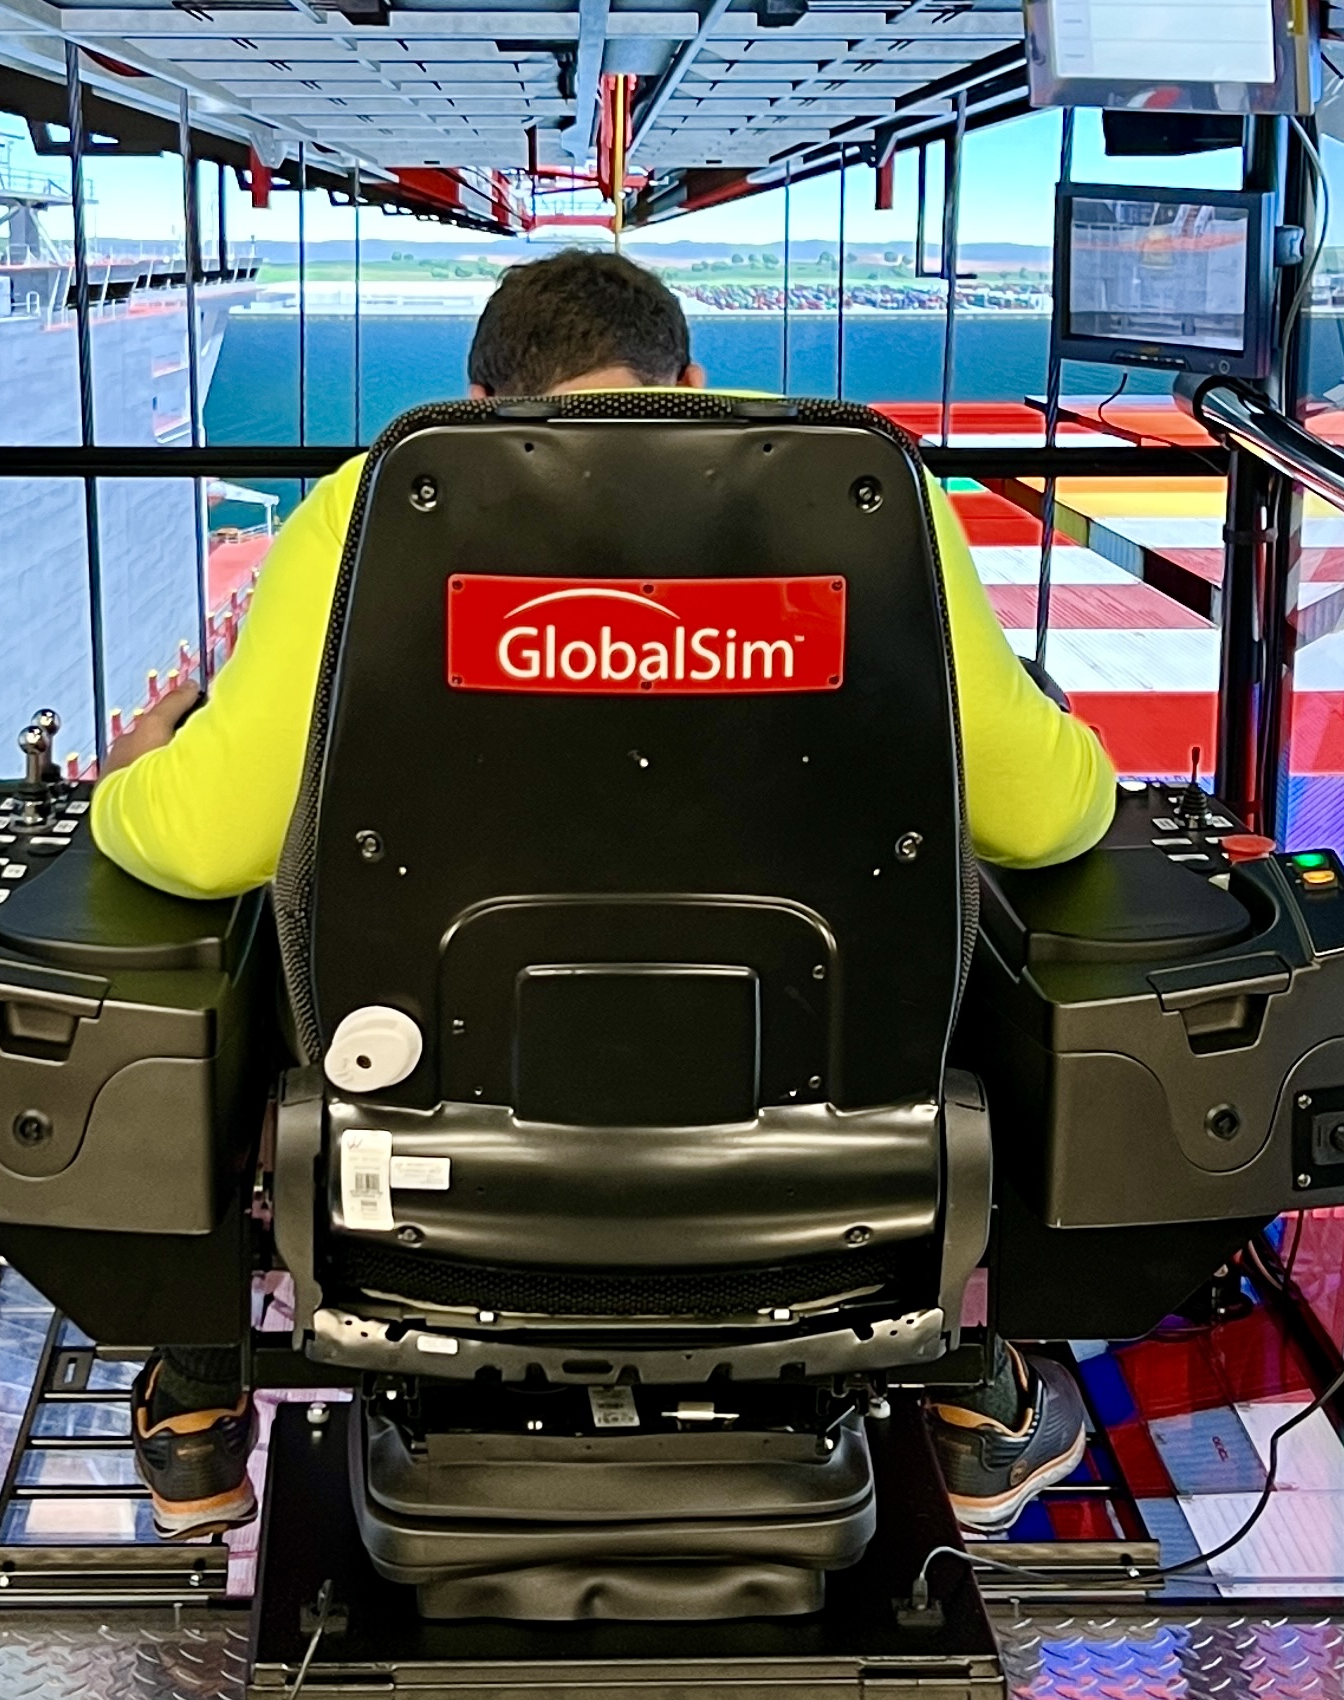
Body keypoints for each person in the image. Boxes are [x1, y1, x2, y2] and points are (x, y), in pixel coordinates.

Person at [90, 248, 1118, 1542]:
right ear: (691, 379)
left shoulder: (365, 513)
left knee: (242, 903)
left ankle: (199, 1396)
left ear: (477, 405)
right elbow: (1045, 819)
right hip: (827, 1187)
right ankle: (975, 1395)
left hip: (422, 1178)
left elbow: (205, 843)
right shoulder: (872, 501)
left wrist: (124, 784)